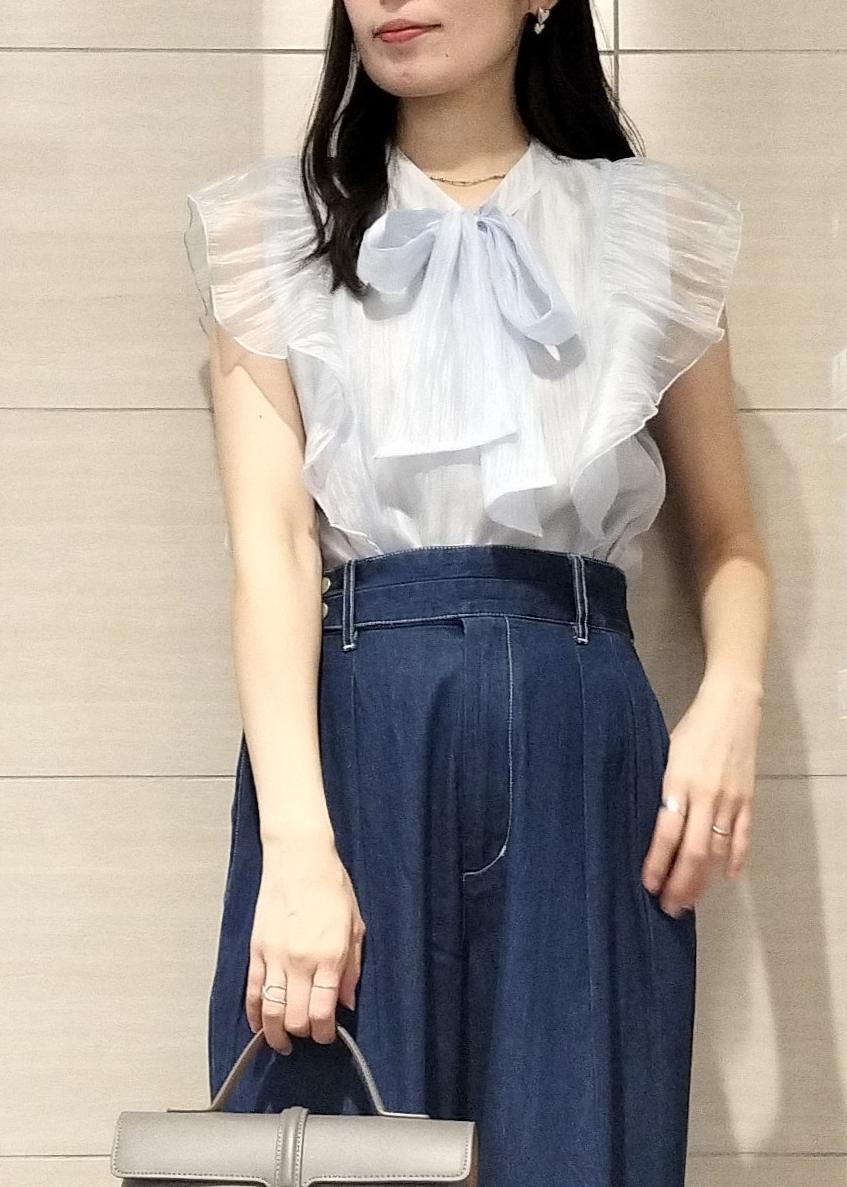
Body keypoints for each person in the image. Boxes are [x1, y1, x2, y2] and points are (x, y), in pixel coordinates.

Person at [182, 1, 772, 1183]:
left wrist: (730, 700)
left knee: (581, 1136)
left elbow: (727, 536)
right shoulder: (267, 228)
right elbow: (274, 548)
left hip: (582, 730)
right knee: (334, 1139)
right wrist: (298, 847)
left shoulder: (652, 230)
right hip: (360, 727)